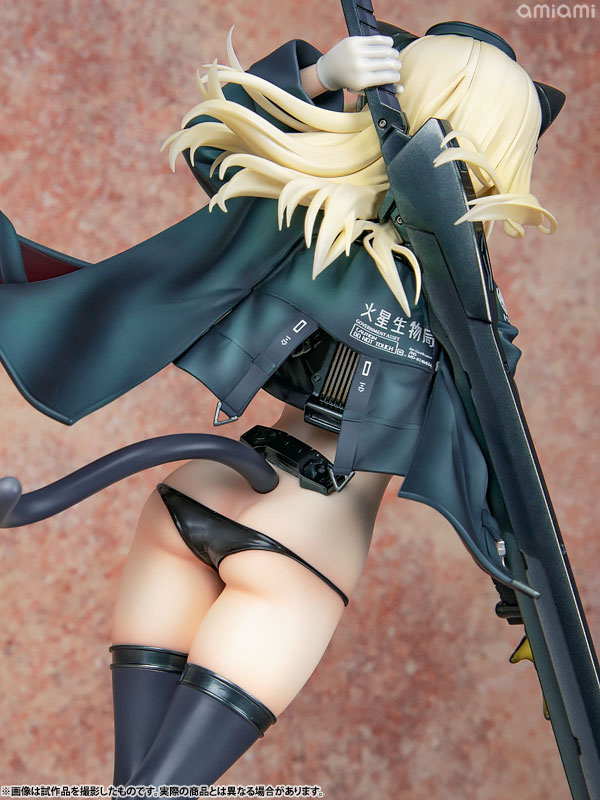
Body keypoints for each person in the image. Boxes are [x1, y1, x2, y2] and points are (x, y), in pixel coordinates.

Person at [0, 20, 563, 787]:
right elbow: (496, 466)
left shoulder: (316, 230)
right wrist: (526, 606)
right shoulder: (455, 309)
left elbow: (218, 148)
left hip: (196, 498)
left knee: (134, 787)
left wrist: (317, 78)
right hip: (301, 545)